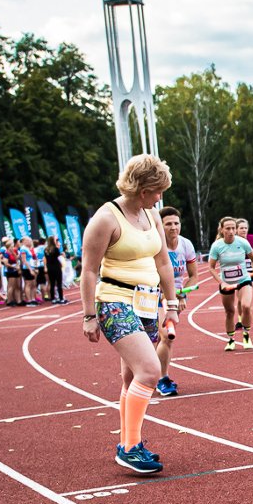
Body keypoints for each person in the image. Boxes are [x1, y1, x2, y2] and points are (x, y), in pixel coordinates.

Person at [80, 154, 178, 475]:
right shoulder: (106, 219)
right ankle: (130, 448)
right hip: (114, 302)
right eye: (156, 190)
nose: (160, 197)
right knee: (150, 371)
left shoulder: (150, 215)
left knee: (131, 377)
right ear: (140, 188)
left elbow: (163, 261)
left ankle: (129, 440)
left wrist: (172, 302)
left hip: (147, 303)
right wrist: (89, 315)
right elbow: (89, 271)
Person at [208, 216, 253, 351]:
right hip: (226, 282)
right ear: (222, 230)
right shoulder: (217, 246)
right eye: (228, 228)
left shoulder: (243, 242)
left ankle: (246, 336)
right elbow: (211, 267)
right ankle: (231, 339)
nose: (231, 231)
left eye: (233, 228)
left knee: (246, 306)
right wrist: (221, 282)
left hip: (244, 279)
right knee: (230, 312)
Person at [155, 206, 196, 396]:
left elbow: (193, 275)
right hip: (154, 295)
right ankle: (160, 378)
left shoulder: (186, 245)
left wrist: (181, 295)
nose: (173, 227)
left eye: (176, 223)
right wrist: (170, 297)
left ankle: (161, 375)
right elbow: (155, 276)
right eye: (168, 224)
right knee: (165, 336)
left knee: (166, 340)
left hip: (175, 297)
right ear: (160, 226)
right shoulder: (155, 245)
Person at [44, 235, 65, 304]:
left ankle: (53, 298)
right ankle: (61, 298)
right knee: (59, 283)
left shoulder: (46, 250)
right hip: (56, 267)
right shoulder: (55, 249)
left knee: (52, 283)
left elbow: (46, 259)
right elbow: (58, 258)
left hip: (50, 267)